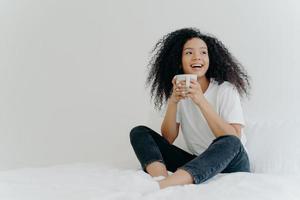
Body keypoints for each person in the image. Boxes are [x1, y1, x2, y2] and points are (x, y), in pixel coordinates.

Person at [129, 27, 251, 189]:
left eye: (203, 52)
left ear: (210, 58)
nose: (197, 57)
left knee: (231, 141)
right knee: (139, 132)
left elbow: (233, 137)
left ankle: (166, 185)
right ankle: (159, 178)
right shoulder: (178, 89)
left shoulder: (225, 89)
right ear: (179, 61)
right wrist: (173, 101)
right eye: (189, 53)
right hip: (198, 160)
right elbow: (168, 139)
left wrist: (200, 100)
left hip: (232, 162)